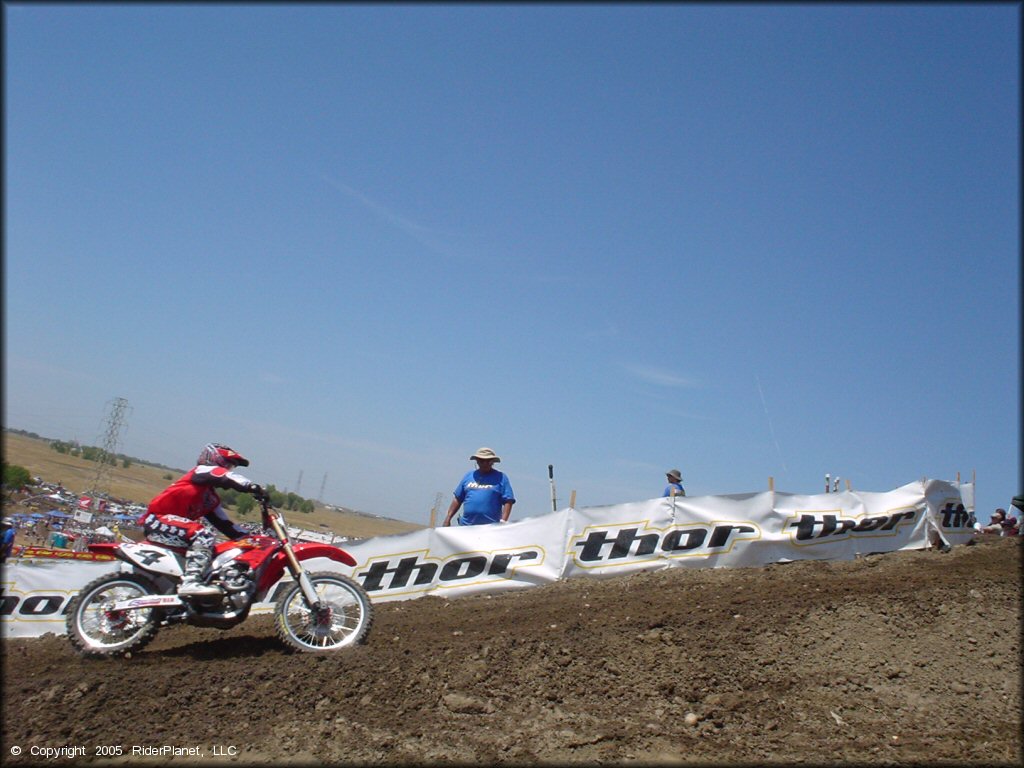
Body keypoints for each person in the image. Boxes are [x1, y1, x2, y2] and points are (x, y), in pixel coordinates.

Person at [138, 443, 267, 597]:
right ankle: (191, 582)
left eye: (232, 466)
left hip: (174, 530)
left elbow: (227, 526)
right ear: (214, 460)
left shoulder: (210, 498)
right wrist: (251, 486)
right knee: (203, 534)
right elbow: (224, 476)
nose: (229, 469)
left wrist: (253, 539)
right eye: (228, 464)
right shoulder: (200, 471)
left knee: (213, 550)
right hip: (157, 520)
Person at [443, 447, 516, 526]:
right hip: (466, 526)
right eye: (481, 461)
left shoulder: (501, 477)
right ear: (477, 461)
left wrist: (503, 521)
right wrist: (448, 517)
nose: (485, 463)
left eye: (488, 461)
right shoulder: (468, 476)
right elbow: (458, 498)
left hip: (491, 527)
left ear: (493, 462)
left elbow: (508, 501)